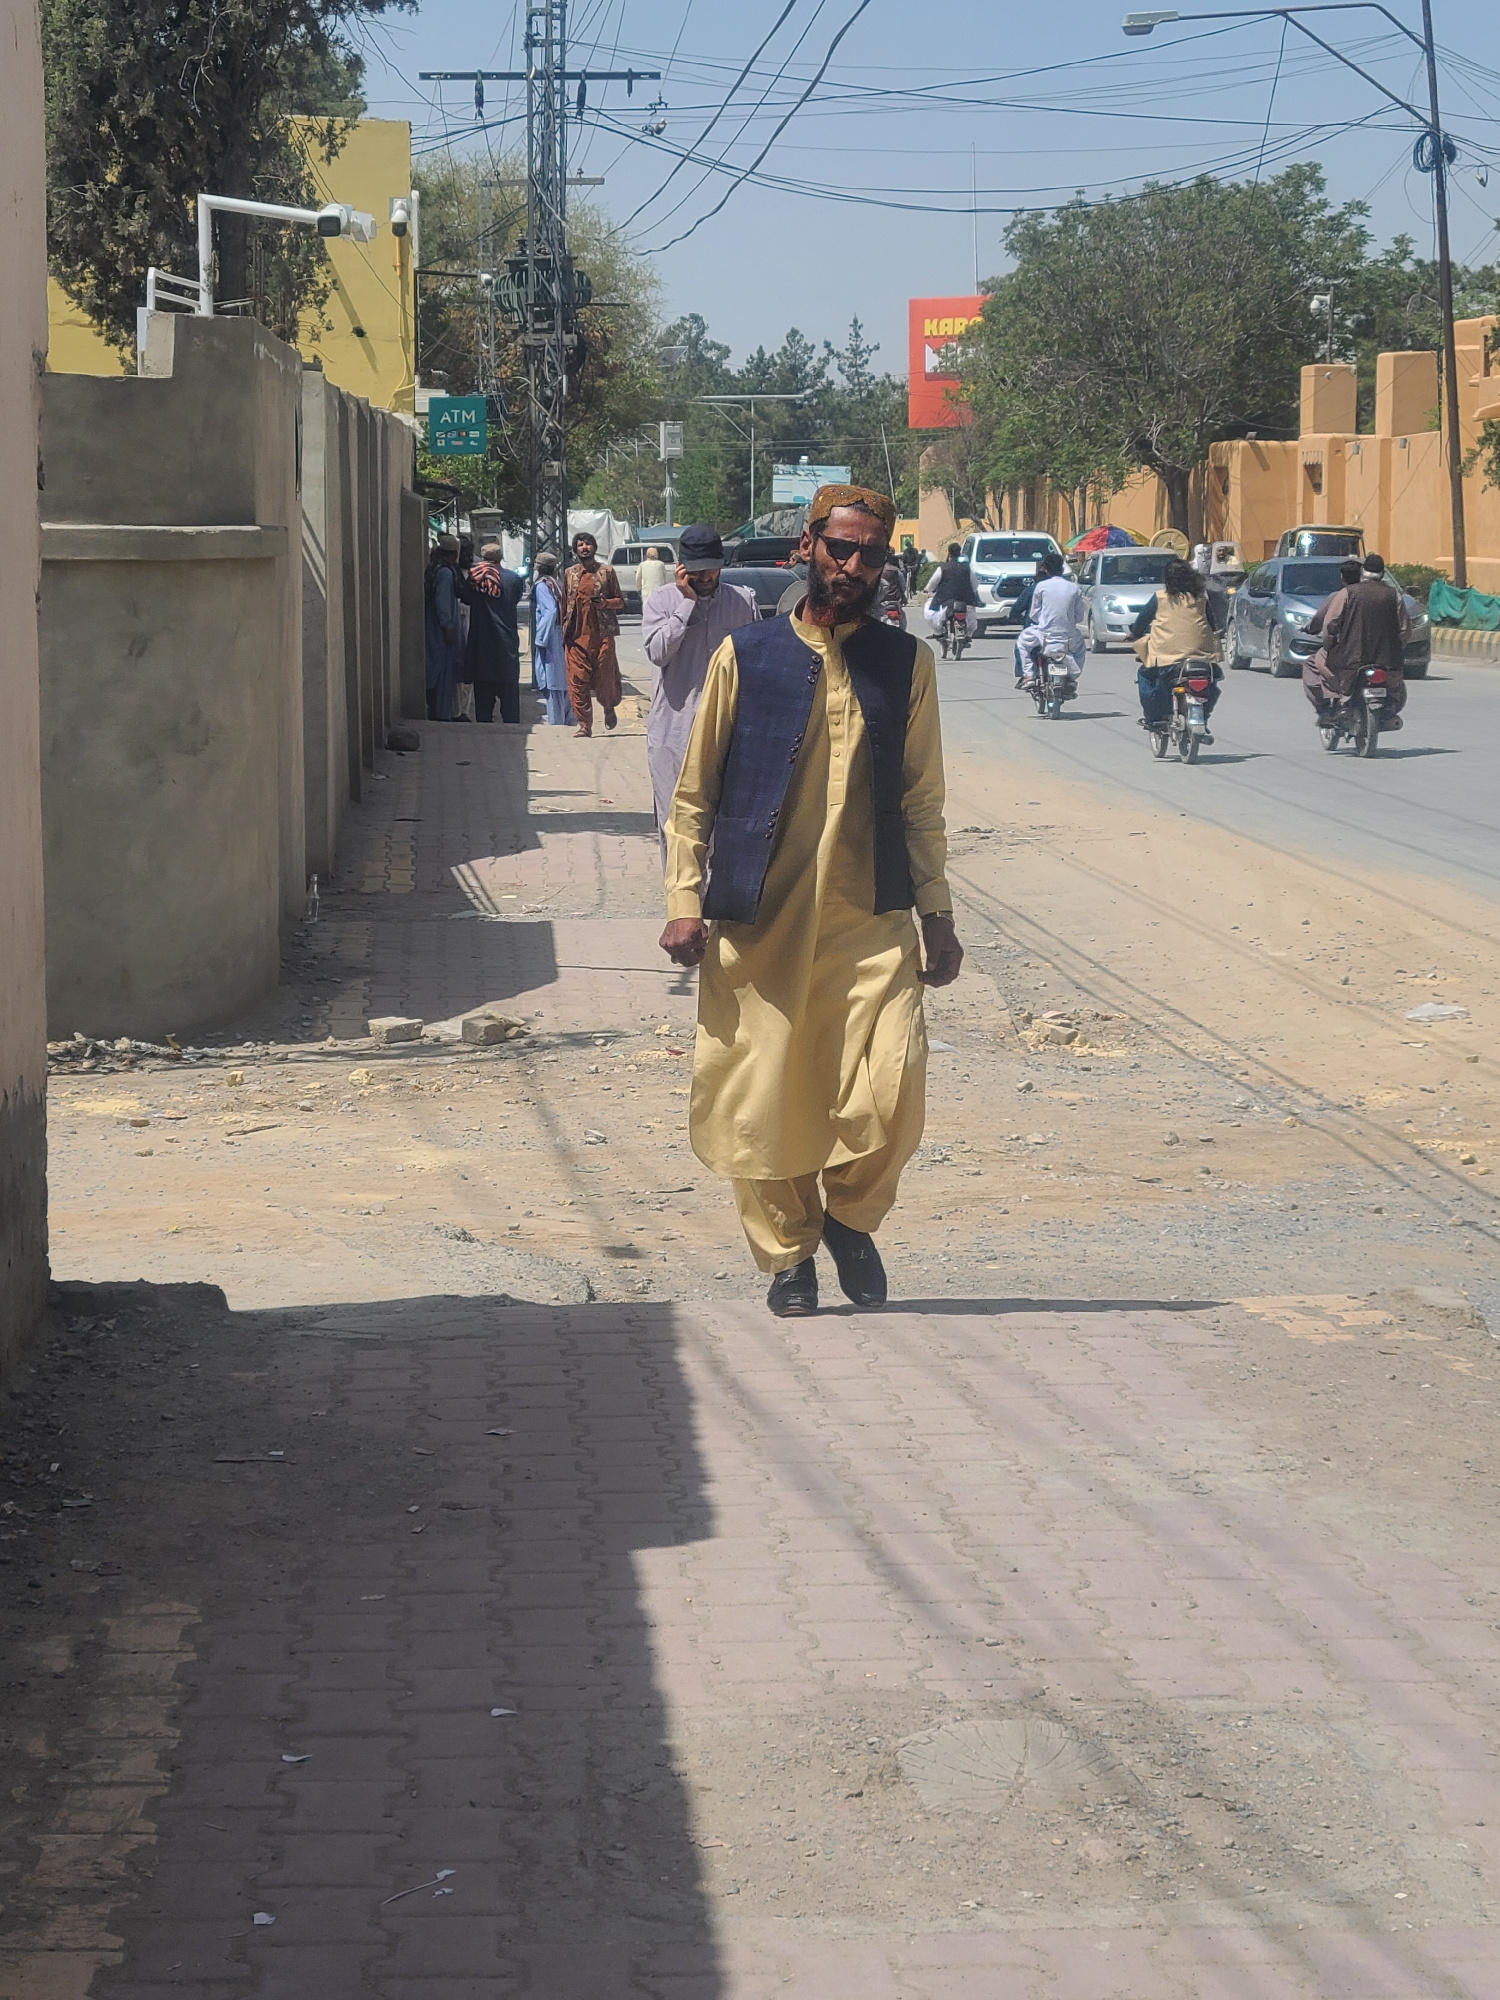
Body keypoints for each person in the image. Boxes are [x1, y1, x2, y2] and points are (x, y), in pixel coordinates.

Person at [658, 481, 963, 1318]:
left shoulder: (907, 664)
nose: (853, 566)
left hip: (873, 920)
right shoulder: (746, 655)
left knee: (895, 1086)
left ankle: (850, 1218)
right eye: (841, 548)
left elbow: (922, 801)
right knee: (767, 1097)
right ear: (809, 547)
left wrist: (937, 916)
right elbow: (694, 795)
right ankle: (788, 1255)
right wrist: (683, 898)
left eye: (871, 554)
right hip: (761, 922)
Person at [641, 523, 759, 858]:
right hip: (674, 733)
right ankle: (680, 891)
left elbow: (755, 665)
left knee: (721, 830)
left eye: (711, 568)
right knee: (675, 824)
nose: (705, 577)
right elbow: (658, 653)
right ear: (681, 568)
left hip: (726, 733)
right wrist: (686, 605)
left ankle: (714, 890)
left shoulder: (742, 602)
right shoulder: (662, 601)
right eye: (696, 570)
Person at [1303, 553, 1407, 730]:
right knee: (1395, 683)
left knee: (1318, 663)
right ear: (1383, 574)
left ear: (1363, 572)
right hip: (1387, 662)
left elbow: (1330, 624)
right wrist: (1395, 649)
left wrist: (1329, 645)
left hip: (1350, 660)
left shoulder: (1347, 594)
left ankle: (1329, 707)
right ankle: (1388, 705)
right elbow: (1404, 630)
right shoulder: (1393, 595)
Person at [1128, 558, 1222, 739]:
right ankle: (1203, 717)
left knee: (1145, 676)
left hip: (1167, 661)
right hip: (1201, 660)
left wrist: (1135, 633)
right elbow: (1212, 624)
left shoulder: (1160, 597)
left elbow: (1142, 620)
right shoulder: (1201, 598)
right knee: (1212, 683)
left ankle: (1154, 719)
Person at [562, 532, 625, 737]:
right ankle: (584, 725)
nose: (584, 547)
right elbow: (563, 604)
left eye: (588, 544)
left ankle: (608, 706)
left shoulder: (607, 572)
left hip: (603, 636)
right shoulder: (569, 574)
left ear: (595, 548)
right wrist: (563, 632)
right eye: (580, 544)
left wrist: (605, 603)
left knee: (605, 677)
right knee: (577, 681)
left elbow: (620, 601)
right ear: (575, 550)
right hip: (576, 638)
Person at [459, 541, 524, 723]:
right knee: (510, 704)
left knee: (483, 704)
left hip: (482, 646)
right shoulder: (513, 579)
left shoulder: (475, 579)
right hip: (507, 646)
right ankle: (511, 731)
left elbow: (465, 598)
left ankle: (486, 729)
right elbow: (515, 600)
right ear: (501, 557)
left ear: (482, 558)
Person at [1017, 551, 1085, 691]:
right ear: (1062, 568)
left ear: (1046, 570)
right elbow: (1079, 617)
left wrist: (1044, 621)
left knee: (1022, 642)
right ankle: (1072, 678)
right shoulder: (1074, 588)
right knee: (1081, 648)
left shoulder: (1041, 587)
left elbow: (1034, 614)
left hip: (1044, 636)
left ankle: (1029, 675)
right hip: (1068, 637)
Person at [423, 534, 464, 721]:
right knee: (443, 671)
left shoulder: (434, 568)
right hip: (440, 629)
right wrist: (448, 626)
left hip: (433, 624)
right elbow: (443, 601)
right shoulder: (446, 573)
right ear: (454, 554)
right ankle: (441, 712)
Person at [530, 554, 572, 725]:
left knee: (552, 681)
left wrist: (540, 639)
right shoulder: (556, 583)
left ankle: (556, 723)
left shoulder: (542, 586)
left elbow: (550, 611)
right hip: (559, 634)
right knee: (562, 681)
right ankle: (567, 720)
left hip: (550, 636)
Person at [1008, 559, 1047, 686]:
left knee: (1021, 646)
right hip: (1061, 632)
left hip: (1036, 631)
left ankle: (1027, 675)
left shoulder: (1032, 589)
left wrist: (1013, 617)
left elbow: (1017, 608)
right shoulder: (1065, 588)